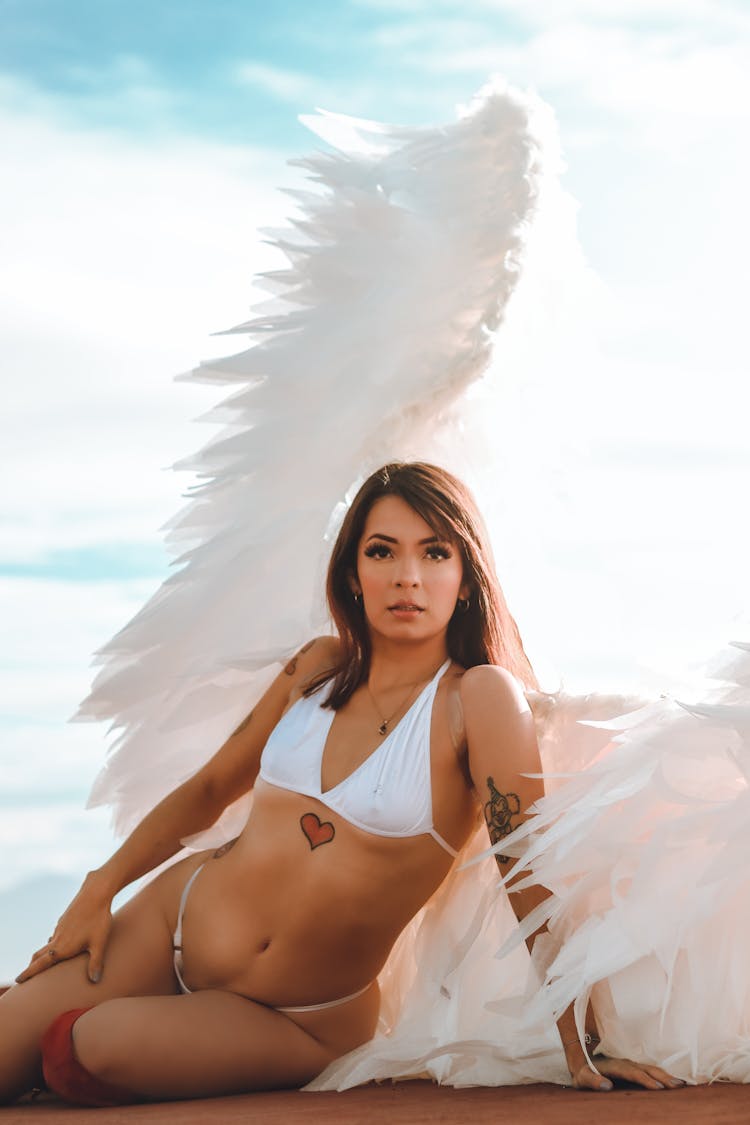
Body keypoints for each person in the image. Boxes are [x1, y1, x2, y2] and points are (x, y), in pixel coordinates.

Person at [0, 461, 682, 1106]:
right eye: (382, 551)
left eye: (435, 553)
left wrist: (583, 1043)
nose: (406, 576)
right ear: (353, 572)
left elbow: (526, 866)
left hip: (299, 1015)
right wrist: (100, 884)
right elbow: (211, 787)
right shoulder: (320, 667)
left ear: (467, 578)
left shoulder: (478, 700)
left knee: (81, 1044)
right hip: (168, 921)